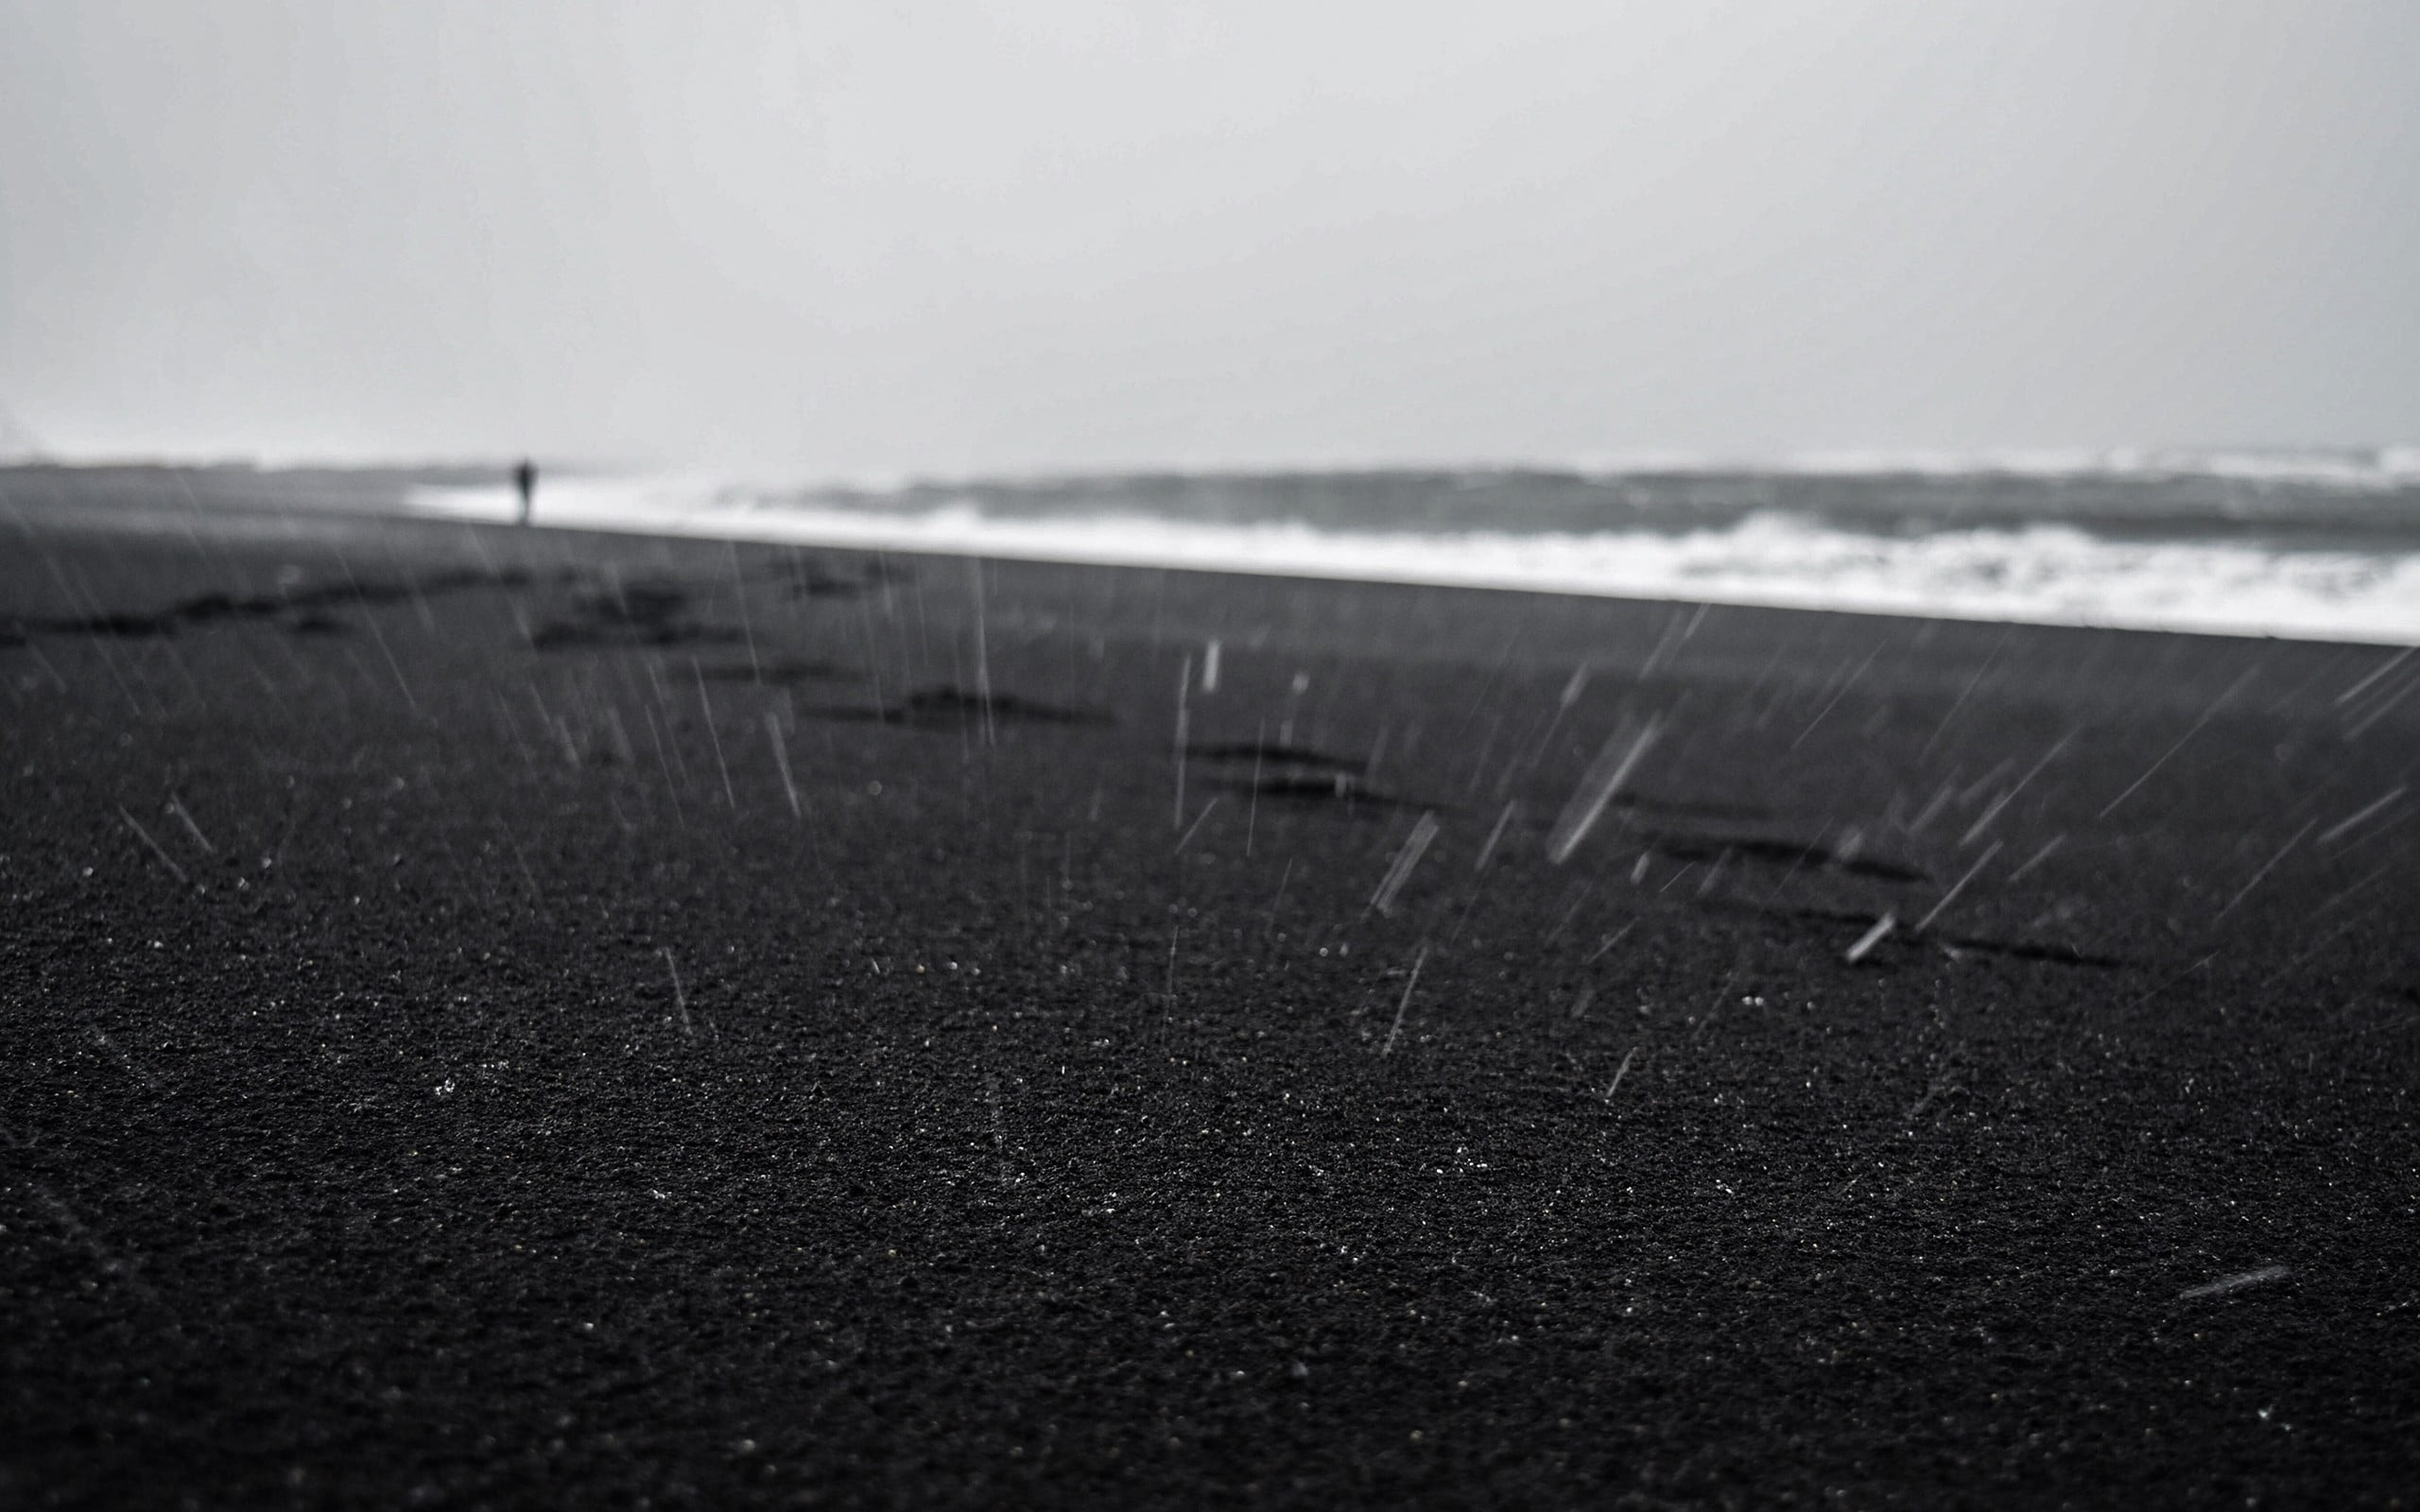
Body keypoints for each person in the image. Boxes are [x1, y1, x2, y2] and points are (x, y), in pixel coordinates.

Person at [514, 458, 537, 526]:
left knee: (525, 504)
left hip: (525, 489)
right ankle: (524, 518)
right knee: (524, 503)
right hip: (525, 489)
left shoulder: (524, 473)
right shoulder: (525, 473)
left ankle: (525, 517)